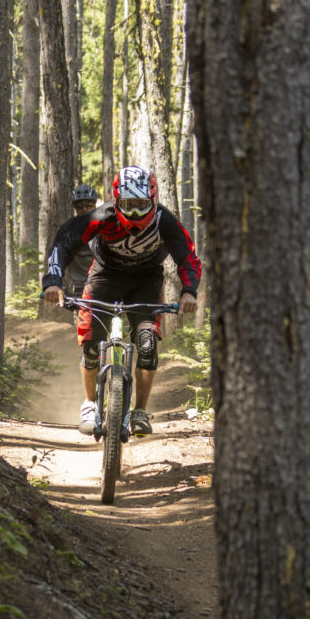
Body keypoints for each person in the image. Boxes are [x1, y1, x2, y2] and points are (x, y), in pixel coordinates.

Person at [42, 165, 201, 436]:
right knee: (91, 342)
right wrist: (53, 283)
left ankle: (140, 411)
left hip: (146, 279)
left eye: (141, 205)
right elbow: (63, 243)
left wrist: (189, 291)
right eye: (128, 205)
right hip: (106, 275)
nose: (135, 213)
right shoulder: (101, 216)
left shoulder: (164, 221)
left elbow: (187, 256)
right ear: (116, 202)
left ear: (153, 200)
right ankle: (90, 404)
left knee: (147, 343)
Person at [64, 183, 98, 297]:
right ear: (75, 208)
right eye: (79, 206)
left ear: (94, 205)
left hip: (105, 284)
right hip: (81, 286)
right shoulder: (69, 232)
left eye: (88, 205)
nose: (84, 209)